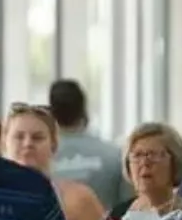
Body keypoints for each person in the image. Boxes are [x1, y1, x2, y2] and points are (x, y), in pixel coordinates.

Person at [4, 102, 107, 220]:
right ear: (4, 142)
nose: (28, 144)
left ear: (54, 144)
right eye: (19, 137)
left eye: (37, 138)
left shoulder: (79, 200)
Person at [47, 79, 131, 211]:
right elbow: (129, 208)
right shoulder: (114, 155)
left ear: (51, 112)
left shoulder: (39, 158)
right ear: (83, 109)